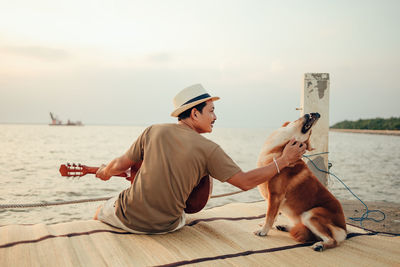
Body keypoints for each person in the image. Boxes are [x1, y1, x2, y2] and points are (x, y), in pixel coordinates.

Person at [94, 83, 306, 234]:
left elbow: (119, 165)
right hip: (167, 226)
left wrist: (104, 172)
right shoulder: (210, 149)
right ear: (195, 114)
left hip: (128, 217)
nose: (215, 117)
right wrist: (284, 160)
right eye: (211, 111)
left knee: (100, 211)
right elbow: (244, 182)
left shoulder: (153, 131)